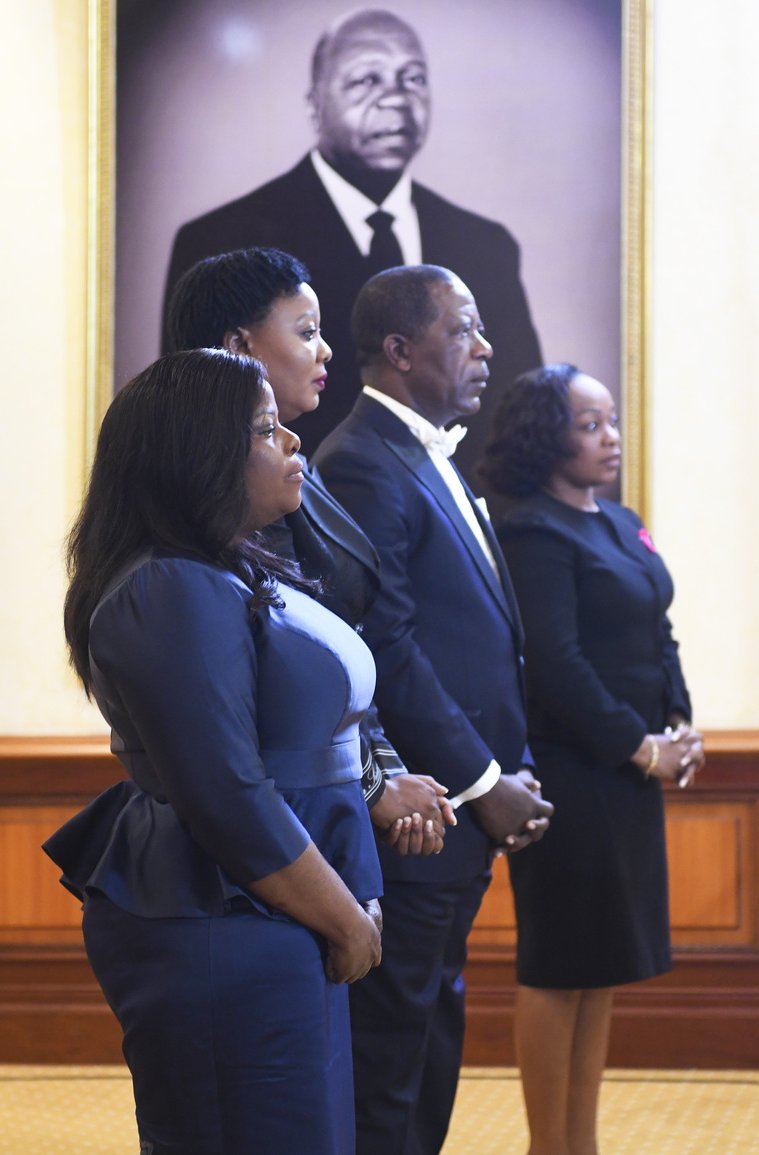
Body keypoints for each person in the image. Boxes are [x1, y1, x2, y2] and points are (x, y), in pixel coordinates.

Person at [43, 348, 384, 1154]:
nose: (291, 441)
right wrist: (344, 915)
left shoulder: (219, 568)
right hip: (223, 918)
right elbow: (227, 792)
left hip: (274, 911)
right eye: (265, 429)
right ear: (198, 456)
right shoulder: (167, 587)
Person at [312, 264, 554, 1155]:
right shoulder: (362, 461)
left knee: (428, 1043)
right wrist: (482, 781)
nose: (485, 347)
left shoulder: (423, 452)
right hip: (420, 817)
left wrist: (506, 767)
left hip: (458, 813)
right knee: (390, 1063)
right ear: (400, 350)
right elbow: (389, 646)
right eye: (463, 329)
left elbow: (477, 639)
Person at [160, 8, 542, 486]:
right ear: (315, 103)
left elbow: (514, 420)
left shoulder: (487, 244)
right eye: (366, 80)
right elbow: (197, 414)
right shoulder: (222, 236)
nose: (395, 99)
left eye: (412, 79)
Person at [478, 363, 705, 1155]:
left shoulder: (619, 520)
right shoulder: (530, 530)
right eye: (588, 424)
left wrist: (678, 723)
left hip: (626, 776)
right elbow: (555, 665)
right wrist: (639, 747)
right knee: (558, 966)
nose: (609, 436)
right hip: (569, 777)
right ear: (545, 436)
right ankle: (550, 1145)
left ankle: (582, 1142)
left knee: (599, 966)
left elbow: (657, 628)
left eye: (610, 420)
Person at [164, 245, 456, 855]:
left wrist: (389, 773)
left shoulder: (296, 462)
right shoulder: (217, 487)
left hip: (338, 790)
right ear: (239, 346)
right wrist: (378, 787)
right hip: (283, 812)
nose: (324, 351)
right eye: (305, 332)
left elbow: (343, 640)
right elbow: (283, 666)